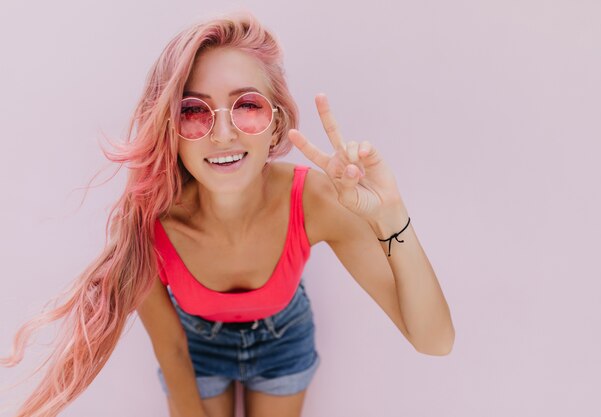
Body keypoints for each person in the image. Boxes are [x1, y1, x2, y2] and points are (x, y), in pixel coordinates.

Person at [0, 10, 455, 417]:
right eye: (194, 111)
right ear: (170, 129)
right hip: (194, 348)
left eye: (247, 106)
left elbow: (434, 341)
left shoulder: (314, 199)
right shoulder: (148, 222)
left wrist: (391, 215)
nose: (221, 134)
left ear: (277, 122)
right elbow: (173, 351)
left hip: (285, 339)